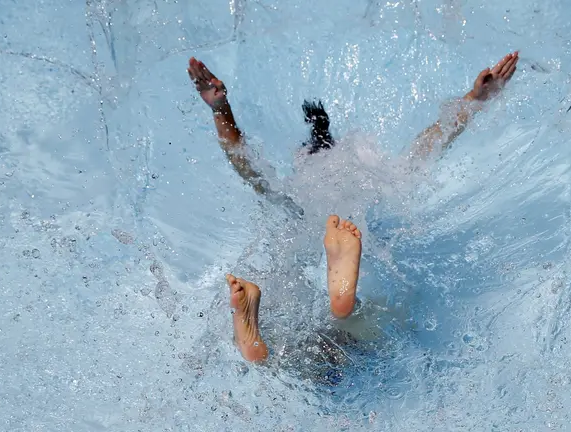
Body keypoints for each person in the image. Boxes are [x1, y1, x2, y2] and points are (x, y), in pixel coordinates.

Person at [186, 51, 520, 364]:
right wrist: (474, 100)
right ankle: (345, 301)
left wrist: (220, 109)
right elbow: (430, 142)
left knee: (285, 356)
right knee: (376, 334)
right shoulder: (378, 182)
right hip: (356, 289)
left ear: (302, 161)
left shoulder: (295, 197)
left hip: (304, 288)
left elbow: (245, 165)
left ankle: (261, 331)